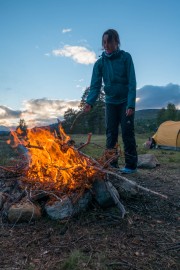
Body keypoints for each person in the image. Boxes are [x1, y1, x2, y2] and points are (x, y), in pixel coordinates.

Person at [84, 29, 137, 174]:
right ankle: (111, 164)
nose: (106, 45)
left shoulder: (126, 57)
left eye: (109, 41)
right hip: (110, 103)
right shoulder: (100, 63)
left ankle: (131, 166)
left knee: (127, 133)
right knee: (111, 134)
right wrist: (90, 102)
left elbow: (132, 82)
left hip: (125, 101)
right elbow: (95, 85)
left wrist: (131, 104)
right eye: (104, 42)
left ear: (116, 42)